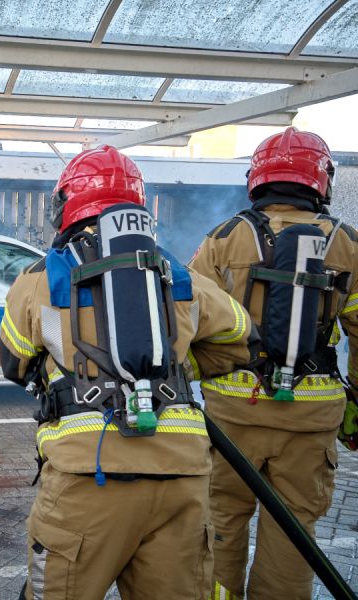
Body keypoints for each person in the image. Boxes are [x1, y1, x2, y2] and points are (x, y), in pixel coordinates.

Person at [1, 145, 253, 600]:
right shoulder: (176, 275)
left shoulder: (40, 279)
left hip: (88, 479)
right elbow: (240, 336)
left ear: (67, 205)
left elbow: (13, 360)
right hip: (181, 479)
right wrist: (172, 369)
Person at [189, 127, 358, 599]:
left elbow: (187, 320)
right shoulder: (349, 245)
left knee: (221, 520)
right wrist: (356, 404)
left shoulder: (224, 239)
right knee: (292, 536)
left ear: (257, 178)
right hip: (312, 420)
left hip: (231, 416)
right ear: (320, 180)